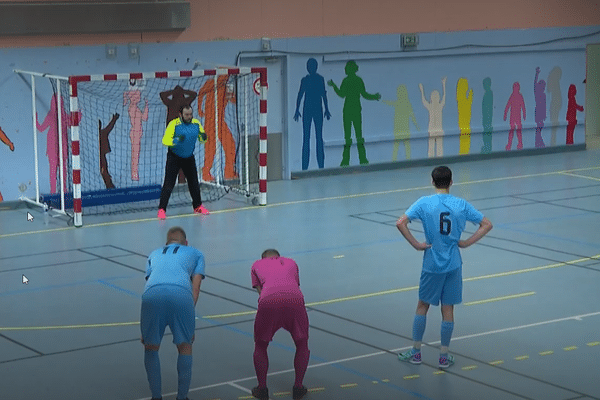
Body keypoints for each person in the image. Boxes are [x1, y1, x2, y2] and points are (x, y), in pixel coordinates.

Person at [396, 166, 492, 368]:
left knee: (423, 305)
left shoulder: (424, 203)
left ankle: (416, 352)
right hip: (453, 263)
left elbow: (401, 223)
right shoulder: (461, 204)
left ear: (432, 182)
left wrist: (416, 244)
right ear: (451, 182)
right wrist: (466, 242)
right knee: (448, 308)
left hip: (432, 263)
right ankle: (443, 356)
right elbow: (487, 224)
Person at [140, 227, 205, 400]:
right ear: (186, 243)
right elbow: (195, 289)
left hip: (152, 296)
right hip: (181, 296)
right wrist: (189, 320)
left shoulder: (153, 254)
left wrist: (145, 330)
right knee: (185, 345)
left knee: (151, 347)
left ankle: (156, 397)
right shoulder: (196, 253)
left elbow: (153, 281)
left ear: (166, 243)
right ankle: (182, 397)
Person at [251, 249, 310, 400]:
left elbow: (261, 290)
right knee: (302, 343)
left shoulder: (256, 265)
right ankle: (298, 387)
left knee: (260, 344)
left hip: (269, 300)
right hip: (295, 300)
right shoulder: (292, 262)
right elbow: (295, 284)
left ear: (263, 258)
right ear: (278, 256)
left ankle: (262, 389)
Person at [158, 105, 209, 219]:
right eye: (186, 115)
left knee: (194, 183)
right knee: (169, 184)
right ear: (180, 115)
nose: (189, 116)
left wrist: (203, 137)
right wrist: (176, 140)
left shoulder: (196, 124)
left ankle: (198, 206)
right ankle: (162, 209)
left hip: (189, 157)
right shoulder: (174, 124)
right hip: (174, 157)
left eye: (190, 114)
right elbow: (165, 140)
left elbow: (201, 140)